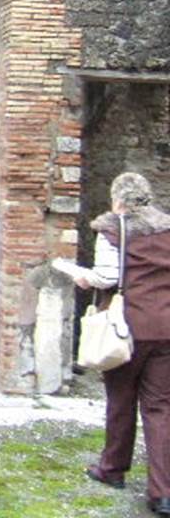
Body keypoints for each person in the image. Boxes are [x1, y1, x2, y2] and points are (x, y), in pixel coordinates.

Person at [74, 172, 170, 515]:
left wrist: (80, 275)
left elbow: (107, 277)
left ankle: (112, 469)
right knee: (160, 408)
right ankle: (163, 493)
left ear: (117, 200)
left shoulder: (113, 229)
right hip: (165, 328)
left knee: (121, 400)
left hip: (126, 327)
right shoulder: (167, 227)